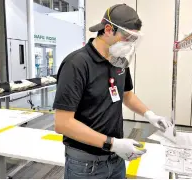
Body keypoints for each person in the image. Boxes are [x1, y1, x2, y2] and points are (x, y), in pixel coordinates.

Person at [53, 3, 172, 179]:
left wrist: (150, 115)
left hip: (116, 159)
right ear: (108, 29)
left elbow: (127, 95)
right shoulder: (77, 64)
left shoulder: (120, 61)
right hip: (86, 165)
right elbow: (63, 123)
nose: (130, 44)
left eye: (134, 39)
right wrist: (112, 143)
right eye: (127, 38)